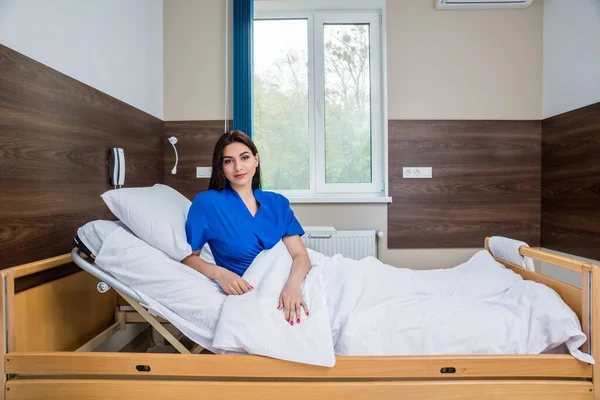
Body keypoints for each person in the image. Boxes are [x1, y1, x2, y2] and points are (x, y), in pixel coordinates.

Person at [181, 130, 312, 326]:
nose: (238, 167)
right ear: (221, 167)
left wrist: (293, 286)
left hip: (296, 278)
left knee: (360, 286)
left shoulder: (277, 202)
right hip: (256, 286)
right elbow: (189, 258)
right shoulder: (206, 204)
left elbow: (301, 256)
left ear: (256, 160)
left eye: (244, 158)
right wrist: (220, 274)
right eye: (228, 161)